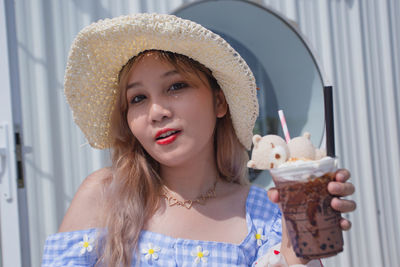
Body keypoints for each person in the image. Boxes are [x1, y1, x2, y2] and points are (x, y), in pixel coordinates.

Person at [42, 13, 356, 266]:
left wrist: (296, 253)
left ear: (220, 102)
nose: (156, 111)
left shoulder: (267, 217)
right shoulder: (104, 196)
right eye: (137, 98)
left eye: (176, 86)